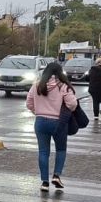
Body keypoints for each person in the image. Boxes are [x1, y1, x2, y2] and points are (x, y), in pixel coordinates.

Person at [26, 62, 78, 192]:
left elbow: (29, 103)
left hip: (40, 122)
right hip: (58, 123)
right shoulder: (63, 86)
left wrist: (37, 112)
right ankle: (56, 175)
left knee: (43, 152)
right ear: (60, 73)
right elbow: (72, 104)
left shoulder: (37, 85)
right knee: (61, 149)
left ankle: (44, 182)